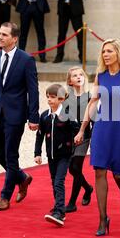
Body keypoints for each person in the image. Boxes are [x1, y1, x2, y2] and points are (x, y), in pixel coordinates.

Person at [74, 39, 120, 236]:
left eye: (109, 51)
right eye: (103, 51)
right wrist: (82, 129)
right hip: (102, 128)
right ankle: (103, 219)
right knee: (99, 171)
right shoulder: (100, 76)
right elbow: (93, 102)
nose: (105, 54)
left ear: (118, 53)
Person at [0, 22, 39, 212]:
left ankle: (5, 196)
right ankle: (22, 178)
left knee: (10, 155)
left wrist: (33, 117)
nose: (0, 37)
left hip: (16, 115)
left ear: (15, 38)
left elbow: (33, 91)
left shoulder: (26, 60)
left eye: (5, 35)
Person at [34, 84, 78, 227]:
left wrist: (79, 137)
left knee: (59, 181)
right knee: (54, 181)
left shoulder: (67, 115)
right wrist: (37, 153)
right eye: (48, 97)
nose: (49, 100)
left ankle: (59, 211)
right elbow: (39, 135)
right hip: (50, 156)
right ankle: (60, 209)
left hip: (65, 155)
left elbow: (77, 130)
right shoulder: (45, 116)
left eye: (52, 97)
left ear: (61, 99)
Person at [64, 67, 94, 213]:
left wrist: (94, 140)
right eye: (74, 75)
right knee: (71, 169)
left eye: (81, 74)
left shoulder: (90, 97)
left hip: (84, 136)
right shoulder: (66, 98)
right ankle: (88, 188)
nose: (78, 77)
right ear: (70, 81)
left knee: (76, 168)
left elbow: (94, 120)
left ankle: (71, 203)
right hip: (69, 137)